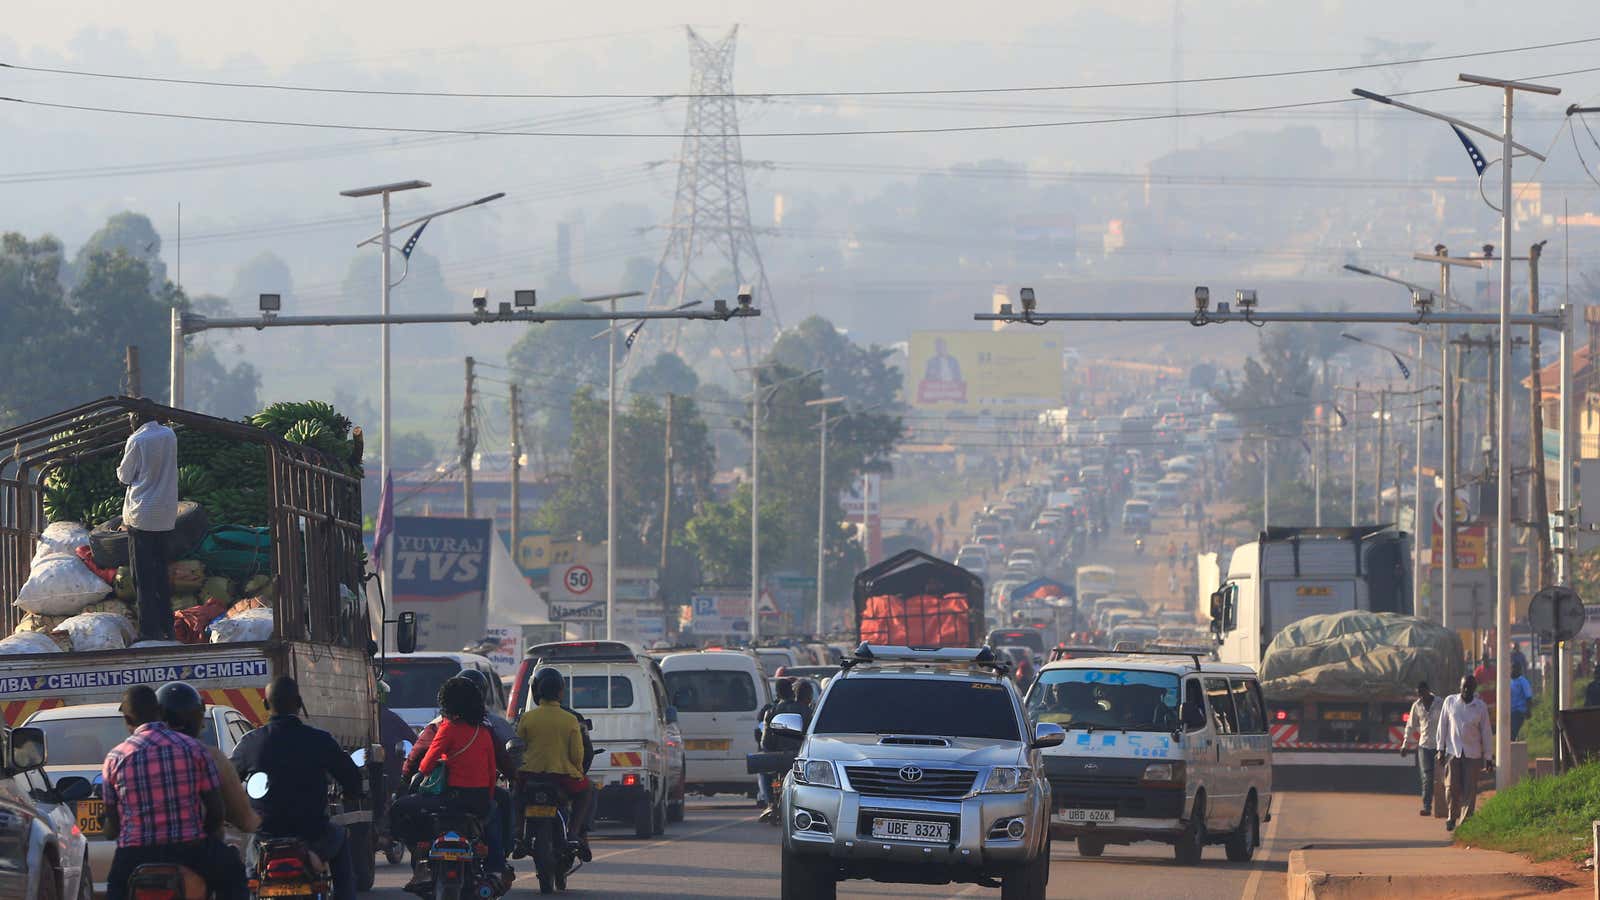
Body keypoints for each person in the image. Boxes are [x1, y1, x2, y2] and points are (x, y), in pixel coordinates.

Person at [102, 685, 245, 900]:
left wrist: (107, 825)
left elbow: (112, 829)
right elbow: (216, 811)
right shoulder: (193, 749)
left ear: (128, 720)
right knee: (233, 874)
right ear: (160, 711)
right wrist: (202, 837)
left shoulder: (115, 758)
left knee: (115, 890)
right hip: (190, 850)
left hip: (134, 855)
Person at [231, 677, 364, 900]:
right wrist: (352, 791)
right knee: (341, 843)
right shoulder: (320, 740)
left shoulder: (250, 743)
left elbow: (229, 780)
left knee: (250, 879)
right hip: (314, 834)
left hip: (265, 837)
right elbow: (351, 777)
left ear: (265, 704)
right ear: (299, 703)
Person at [390, 677, 497, 890]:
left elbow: (426, 765)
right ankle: (494, 867)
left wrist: (417, 779)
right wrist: (487, 799)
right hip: (480, 802)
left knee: (399, 808)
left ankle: (421, 857)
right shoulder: (484, 733)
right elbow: (491, 774)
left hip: (449, 801)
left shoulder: (448, 728)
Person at [158, 681, 260, 835]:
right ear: (196, 721)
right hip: (196, 850)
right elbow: (243, 819)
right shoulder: (208, 756)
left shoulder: (123, 757)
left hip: (136, 853)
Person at [513, 668, 593, 861]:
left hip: (529, 775)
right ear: (560, 692)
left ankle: (518, 834)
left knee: (516, 797)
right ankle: (574, 833)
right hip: (562, 777)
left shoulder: (526, 718)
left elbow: (518, 746)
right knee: (587, 791)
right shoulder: (571, 720)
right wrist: (578, 772)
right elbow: (577, 754)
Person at [116, 408, 179, 641]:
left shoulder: (137, 439)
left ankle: (148, 630)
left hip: (141, 515)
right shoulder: (170, 436)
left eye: (131, 418)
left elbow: (124, 476)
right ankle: (167, 627)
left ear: (137, 418)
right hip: (165, 515)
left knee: (142, 577)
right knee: (161, 574)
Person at [1438, 675, 1494, 832]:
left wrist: (1488, 757)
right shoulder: (1450, 702)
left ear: (1474, 689)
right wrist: (1440, 749)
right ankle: (1452, 815)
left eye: (1470, 688)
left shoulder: (1480, 707)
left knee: (1470, 789)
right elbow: (1442, 726)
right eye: (1464, 688)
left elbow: (1486, 733)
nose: (1467, 691)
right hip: (1452, 752)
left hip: (1472, 754)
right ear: (1460, 687)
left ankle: (1465, 823)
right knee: (1451, 787)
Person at [757, 678, 810, 824]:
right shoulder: (805, 710)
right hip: (799, 756)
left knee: (763, 768)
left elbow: (766, 742)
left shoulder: (771, 711)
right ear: (792, 692)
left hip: (778, 756)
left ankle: (769, 803)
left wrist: (772, 751)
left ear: (778, 693)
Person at [1399, 681, 1444, 816]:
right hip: (1424, 746)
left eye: (1422, 693)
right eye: (1418, 694)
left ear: (1428, 691)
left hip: (1440, 746)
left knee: (1441, 777)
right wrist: (1405, 744)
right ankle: (1427, 806)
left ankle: (1444, 806)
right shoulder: (1417, 706)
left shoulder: (1440, 703)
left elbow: (1448, 722)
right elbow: (1410, 725)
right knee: (1427, 777)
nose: (1421, 697)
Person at [1509, 662, 1533, 741]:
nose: (1512, 670)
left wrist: (1528, 710)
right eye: (1511, 668)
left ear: (1519, 670)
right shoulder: (1509, 681)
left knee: (1512, 733)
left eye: (1514, 668)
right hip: (1510, 712)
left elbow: (1528, 697)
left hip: (1519, 711)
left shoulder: (1523, 681)